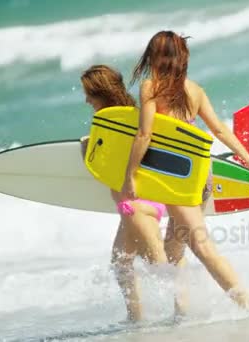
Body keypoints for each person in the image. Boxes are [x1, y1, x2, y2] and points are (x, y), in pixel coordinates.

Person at [122, 30, 249, 309]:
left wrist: (130, 174)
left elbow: (144, 135)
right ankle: (182, 313)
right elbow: (218, 130)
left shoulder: (151, 88)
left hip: (175, 178)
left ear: (154, 57)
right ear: (183, 57)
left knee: (203, 248)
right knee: (173, 248)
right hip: (200, 175)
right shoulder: (195, 90)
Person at [80, 65, 178, 321]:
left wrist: (85, 148)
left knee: (158, 262)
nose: (86, 100)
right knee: (122, 262)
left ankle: (186, 312)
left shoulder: (108, 124)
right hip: (144, 202)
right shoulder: (135, 116)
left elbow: (98, 167)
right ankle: (137, 317)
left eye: (89, 94)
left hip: (133, 205)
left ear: (101, 93)